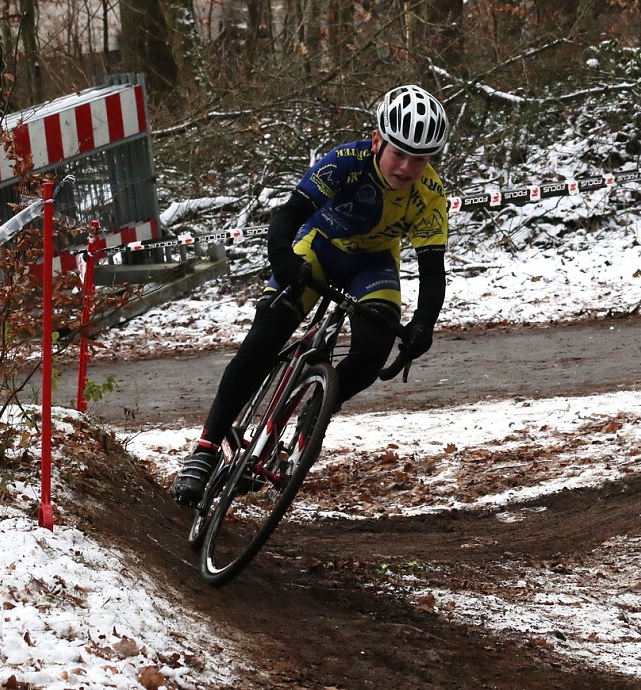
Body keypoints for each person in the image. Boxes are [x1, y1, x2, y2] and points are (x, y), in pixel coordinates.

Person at [172, 84, 451, 507]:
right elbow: (288, 215)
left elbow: (432, 271)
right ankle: (206, 449)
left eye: (421, 157)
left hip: (372, 267)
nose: (407, 166)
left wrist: (423, 325)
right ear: (377, 140)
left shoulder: (429, 195)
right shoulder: (346, 162)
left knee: (372, 354)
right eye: (399, 152)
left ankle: (315, 412)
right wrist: (284, 260)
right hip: (316, 248)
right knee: (264, 340)